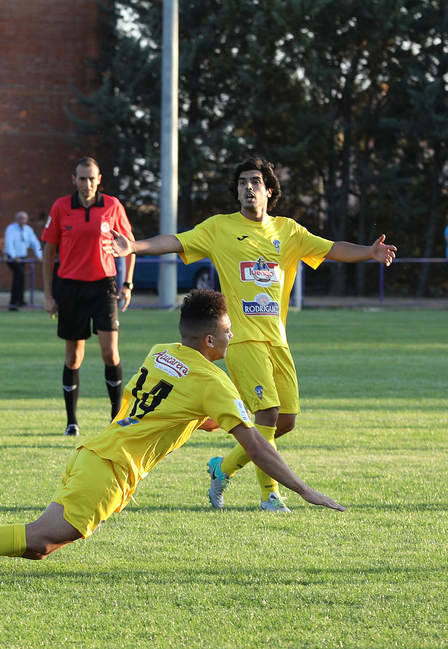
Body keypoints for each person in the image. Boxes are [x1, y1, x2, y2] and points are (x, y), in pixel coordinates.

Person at [0, 290, 345, 573]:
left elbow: (171, 408)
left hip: (96, 453)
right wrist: (304, 489)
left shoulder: (161, 353)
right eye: (227, 332)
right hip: (112, 469)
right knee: (39, 537)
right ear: (209, 341)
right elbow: (256, 447)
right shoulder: (213, 382)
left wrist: (218, 419)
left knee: (42, 545)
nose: (231, 339)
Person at [111, 154, 397, 511]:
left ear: (269, 190)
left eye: (255, 182)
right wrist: (134, 246)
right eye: (242, 183)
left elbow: (331, 248)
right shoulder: (220, 228)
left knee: (286, 421)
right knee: (268, 415)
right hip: (242, 339)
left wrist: (369, 252)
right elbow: (176, 241)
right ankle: (270, 496)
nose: (248, 188)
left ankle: (222, 468)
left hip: (277, 338)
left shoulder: (288, 231)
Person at [41, 156, 135, 437]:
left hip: (104, 287)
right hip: (70, 287)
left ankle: (115, 417)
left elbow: (129, 245)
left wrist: (127, 283)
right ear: (74, 180)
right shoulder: (60, 207)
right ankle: (72, 422)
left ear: (99, 179)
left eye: (91, 178)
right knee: (73, 358)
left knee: (110, 353)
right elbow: (48, 252)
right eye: (82, 178)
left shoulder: (112, 206)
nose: (87, 183)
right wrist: (48, 294)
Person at [4, 211, 42, 311]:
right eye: (20, 218)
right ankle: (14, 302)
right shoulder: (11, 228)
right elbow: (9, 243)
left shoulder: (28, 229)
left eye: (24, 218)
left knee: (20, 278)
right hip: (12, 257)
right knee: (19, 276)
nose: (22, 220)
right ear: (16, 219)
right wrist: (13, 256)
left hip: (22, 257)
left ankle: (18, 301)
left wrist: (39, 255)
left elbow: (35, 243)